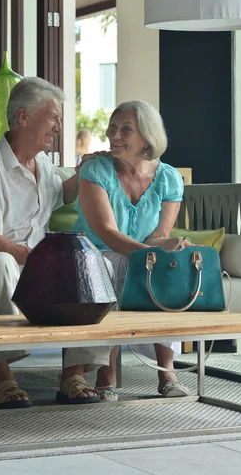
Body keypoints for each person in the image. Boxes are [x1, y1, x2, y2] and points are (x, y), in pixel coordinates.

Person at [0, 77, 82, 410]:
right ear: (23, 117)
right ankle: (0, 376)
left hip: (30, 261)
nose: (59, 127)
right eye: (53, 117)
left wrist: (86, 172)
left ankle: (74, 373)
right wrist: (28, 256)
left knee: (97, 265)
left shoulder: (45, 166)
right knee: (0, 262)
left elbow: (61, 194)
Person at [58, 100, 190, 405]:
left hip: (134, 252)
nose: (114, 134)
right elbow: (105, 232)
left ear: (147, 137)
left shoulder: (168, 177)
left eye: (125, 129)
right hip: (90, 252)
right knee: (105, 267)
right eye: (112, 127)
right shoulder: (96, 169)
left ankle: (167, 373)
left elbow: (158, 236)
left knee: (164, 266)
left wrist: (170, 247)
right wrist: (148, 254)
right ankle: (106, 375)